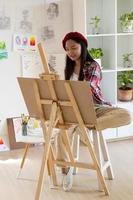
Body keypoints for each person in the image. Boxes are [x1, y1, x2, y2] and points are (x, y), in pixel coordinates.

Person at [56, 31, 131, 192]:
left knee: (126, 115)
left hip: (94, 107)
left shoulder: (93, 66)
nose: (70, 52)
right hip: (74, 110)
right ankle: (66, 167)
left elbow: (88, 88)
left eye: (74, 48)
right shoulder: (68, 68)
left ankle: (88, 125)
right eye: (67, 49)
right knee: (60, 132)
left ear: (82, 46)